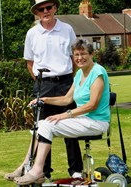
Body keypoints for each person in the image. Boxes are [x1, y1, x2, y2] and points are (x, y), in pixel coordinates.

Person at [4, 39, 111, 185]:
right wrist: (43, 99)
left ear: (91, 54)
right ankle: (25, 166)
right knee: (41, 123)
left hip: (96, 122)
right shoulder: (79, 74)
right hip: (83, 120)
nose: (80, 58)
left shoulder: (98, 72)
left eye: (83, 54)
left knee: (47, 125)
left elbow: (92, 105)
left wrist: (65, 115)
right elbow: (67, 99)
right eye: (76, 55)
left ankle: (36, 171)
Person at [24, 0, 83, 180]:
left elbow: (75, 58)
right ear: (37, 12)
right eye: (41, 9)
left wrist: (67, 79)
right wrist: (43, 82)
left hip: (66, 82)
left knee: (71, 126)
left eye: (48, 7)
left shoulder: (67, 30)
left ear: (55, 8)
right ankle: (44, 172)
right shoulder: (32, 34)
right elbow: (30, 63)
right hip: (44, 85)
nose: (45, 11)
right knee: (43, 128)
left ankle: (75, 170)